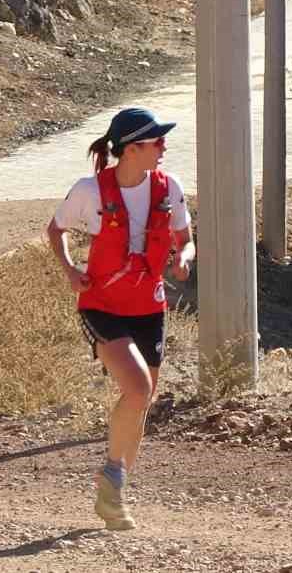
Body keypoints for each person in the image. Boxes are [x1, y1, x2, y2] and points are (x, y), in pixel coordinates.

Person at [46, 107, 194, 531]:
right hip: (102, 306)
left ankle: (114, 492)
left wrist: (183, 258)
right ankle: (111, 475)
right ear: (132, 149)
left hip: (150, 306)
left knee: (140, 401)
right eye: (156, 142)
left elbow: (185, 239)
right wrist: (71, 270)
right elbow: (55, 231)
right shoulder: (90, 192)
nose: (164, 147)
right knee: (138, 388)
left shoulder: (171, 187)